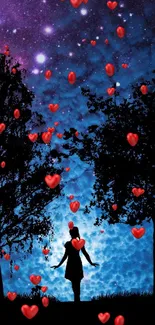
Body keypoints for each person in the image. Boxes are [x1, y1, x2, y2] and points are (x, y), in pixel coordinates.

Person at [51, 226, 99, 302]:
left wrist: (91, 263)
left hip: (73, 263)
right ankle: (77, 300)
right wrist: (58, 265)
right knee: (76, 283)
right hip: (75, 263)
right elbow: (66, 255)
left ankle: (77, 300)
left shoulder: (74, 243)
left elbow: (84, 254)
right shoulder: (70, 244)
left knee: (75, 283)